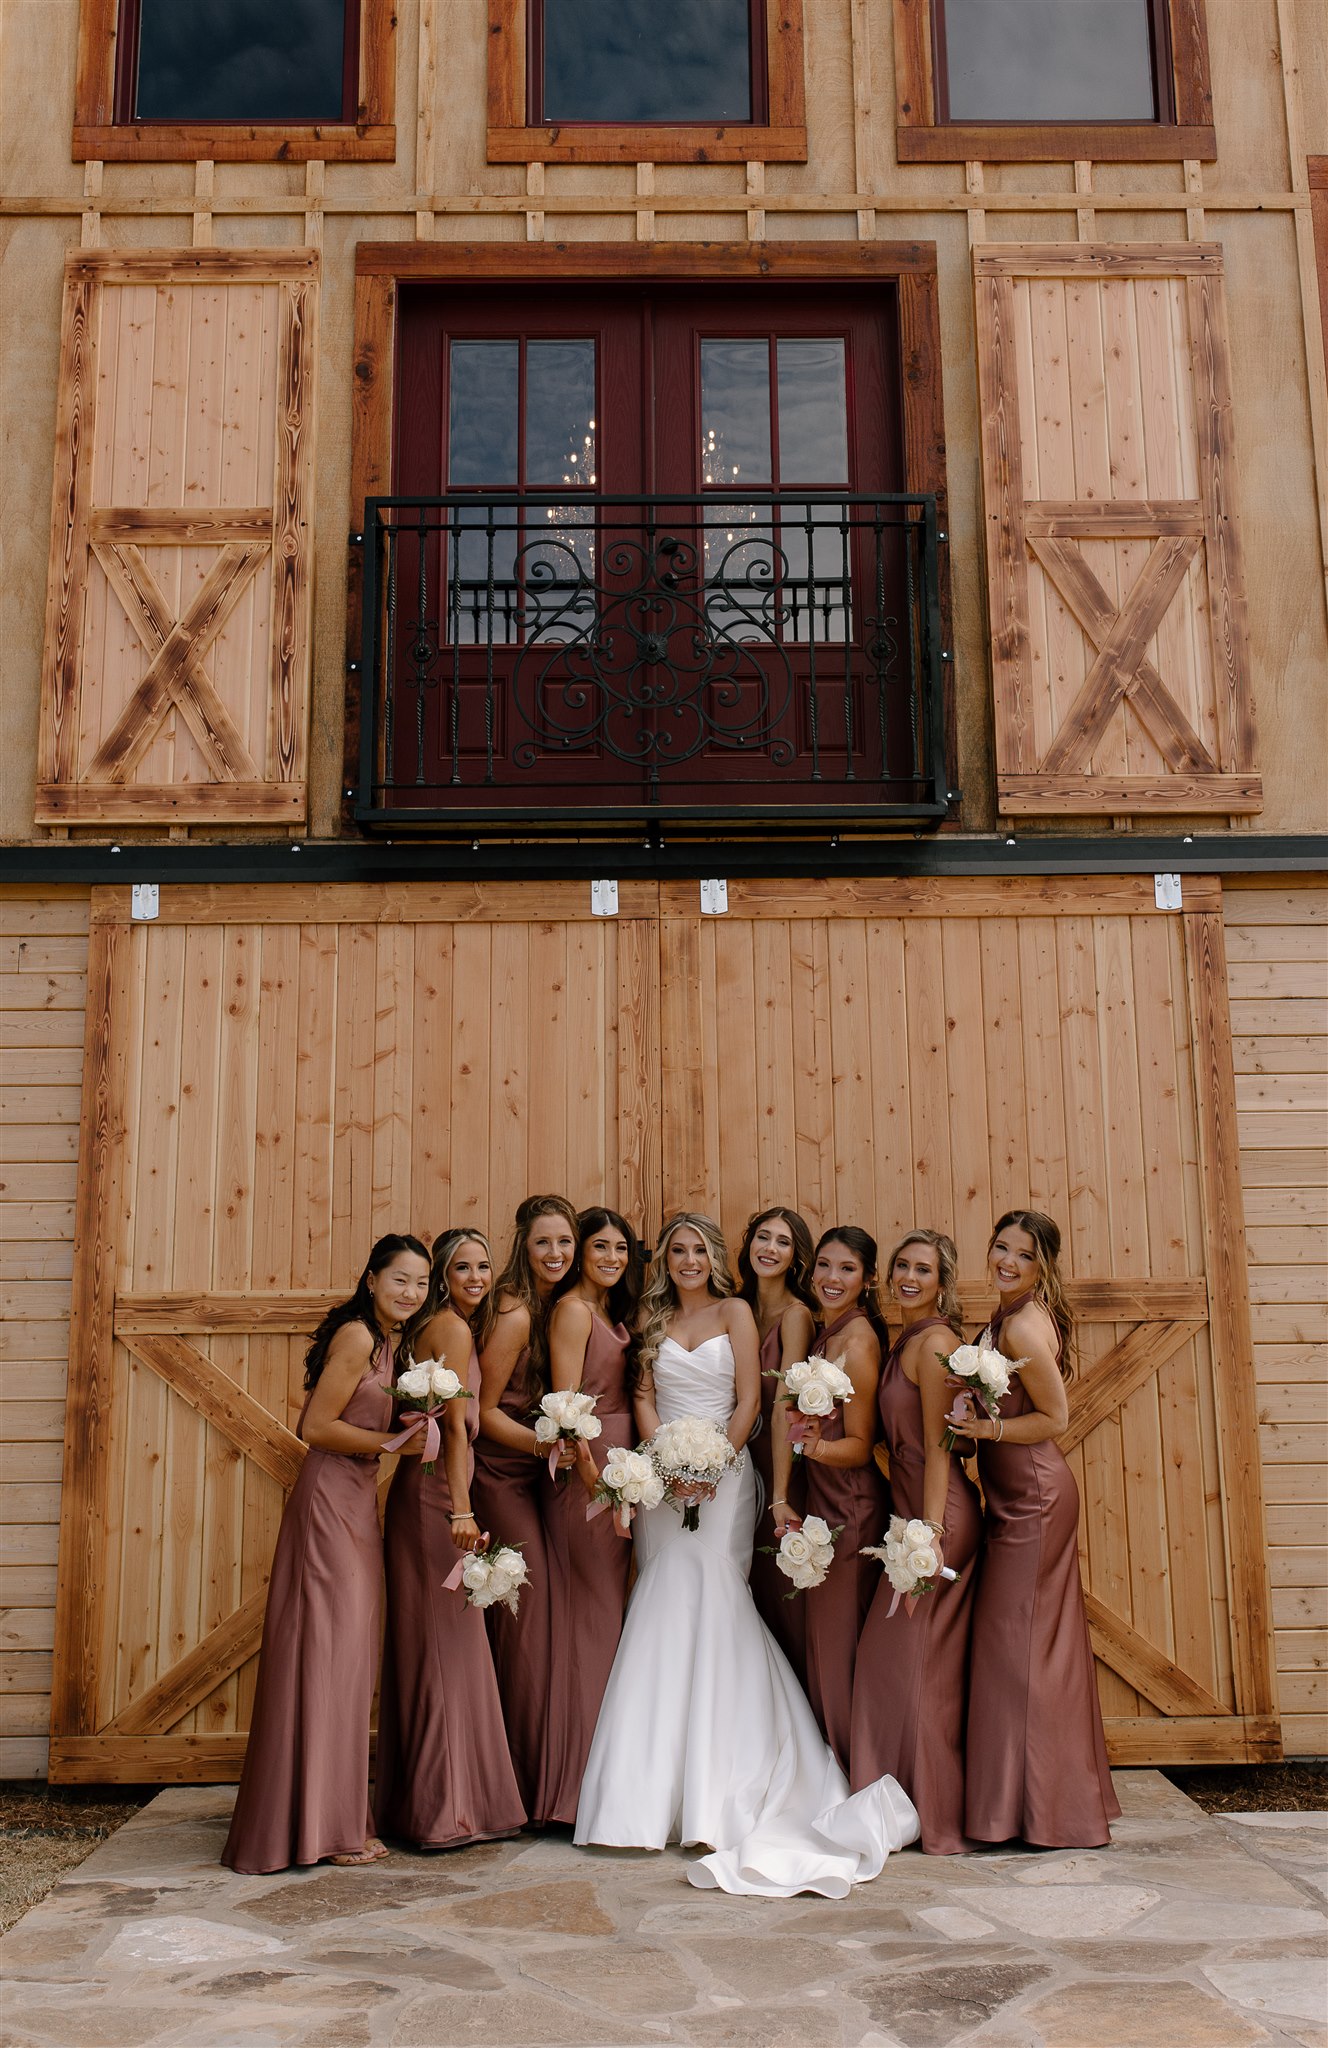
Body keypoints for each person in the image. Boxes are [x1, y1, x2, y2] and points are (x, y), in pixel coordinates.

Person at [575, 1213, 918, 1897]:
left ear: (714, 1256)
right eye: (677, 1251)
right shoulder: (653, 1317)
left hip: (726, 1479)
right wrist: (666, 1461)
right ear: (665, 1260)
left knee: (719, 1600)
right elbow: (643, 1395)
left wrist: (718, 1461)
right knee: (664, 1600)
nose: (688, 1260)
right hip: (664, 1480)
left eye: (699, 1249)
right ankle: (645, 1799)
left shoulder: (736, 1310)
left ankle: (721, 1791)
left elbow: (751, 1398)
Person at [221, 1235, 431, 1874]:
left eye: (421, 1283)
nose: (411, 1293)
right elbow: (315, 1427)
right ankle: (325, 1828)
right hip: (330, 1502)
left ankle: (328, 1817)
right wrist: (391, 1443)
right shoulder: (358, 1338)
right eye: (400, 1280)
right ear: (371, 1279)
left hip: (356, 1499)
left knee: (343, 1658)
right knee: (330, 1654)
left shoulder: (391, 1343)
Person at [958, 1209, 1120, 1848]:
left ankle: (1036, 1811)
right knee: (1028, 1650)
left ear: (1041, 1265)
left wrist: (988, 1429)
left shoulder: (1023, 1325)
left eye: (1022, 1255)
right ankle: (1041, 1800)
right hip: (1010, 1494)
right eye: (1001, 1247)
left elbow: (1055, 1417)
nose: (1007, 1262)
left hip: (1035, 1498)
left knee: (1018, 1651)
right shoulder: (1001, 1317)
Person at [375, 1229, 527, 1850]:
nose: (475, 1277)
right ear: (441, 1274)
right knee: (443, 1644)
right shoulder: (452, 1329)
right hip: (437, 1498)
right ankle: (446, 1812)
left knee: (446, 1643)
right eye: (461, 1267)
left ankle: (445, 1803)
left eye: (484, 1266)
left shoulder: (437, 1326)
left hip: (432, 1493)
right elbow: (456, 1434)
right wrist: (461, 1510)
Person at [850, 1230, 981, 1853]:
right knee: (895, 1664)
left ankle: (931, 1812)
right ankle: (903, 1800)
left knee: (909, 1662)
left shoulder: (935, 1345)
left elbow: (939, 1447)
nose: (907, 1276)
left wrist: (927, 1537)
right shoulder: (904, 1337)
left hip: (938, 1516)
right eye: (900, 1265)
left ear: (941, 1281)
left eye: (921, 1269)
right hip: (908, 1512)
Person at [471, 1195, 579, 1819]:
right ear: (522, 1244)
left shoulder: (554, 1306)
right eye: (544, 1243)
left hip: (536, 1475)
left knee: (536, 1618)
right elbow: (481, 1413)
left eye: (565, 1242)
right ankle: (518, 1782)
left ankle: (538, 1776)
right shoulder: (513, 1312)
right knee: (525, 1615)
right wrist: (549, 1443)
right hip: (500, 1476)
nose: (557, 1254)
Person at [775, 1226, 890, 1769]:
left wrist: (816, 1451)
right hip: (823, 1500)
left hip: (849, 1505)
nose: (831, 1278)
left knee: (838, 1645)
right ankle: (831, 1767)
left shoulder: (857, 1341)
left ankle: (853, 1773)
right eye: (824, 1265)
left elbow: (862, 1446)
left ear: (867, 1281)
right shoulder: (826, 1335)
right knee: (822, 1642)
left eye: (847, 1269)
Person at [540, 1207, 641, 1822]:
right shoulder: (574, 1311)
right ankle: (573, 1793)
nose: (611, 1258)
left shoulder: (608, 1311)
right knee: (590, 1625)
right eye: (600, 1247)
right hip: (590, 1478)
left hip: (620, 1473)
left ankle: (603, 1779)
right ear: (579, 1252)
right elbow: (565, 1411)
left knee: (607, 1623)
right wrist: (597, 1484)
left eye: (621, 1249)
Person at [737, 1207, 817, 1680]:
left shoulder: (796, 1315)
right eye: (762, 1237)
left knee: (776, 1585)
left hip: (777, 1463)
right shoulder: (735, 1305)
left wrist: (781, 1495)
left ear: (795, 1256)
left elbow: (788, 1404)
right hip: (732, 1459)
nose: (769, 1248)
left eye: (782, 1242)